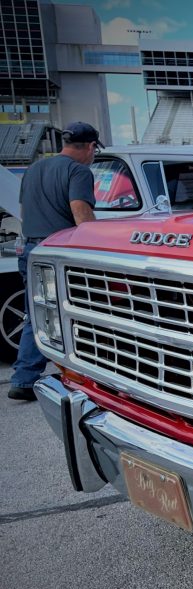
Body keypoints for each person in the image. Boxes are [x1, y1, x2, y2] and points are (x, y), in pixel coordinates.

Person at [8, 122, 101, 401]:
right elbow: (81, 215)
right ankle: (89, 379)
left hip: (32, 249)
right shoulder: (79, 171)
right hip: (61, 252)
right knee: (80, 314)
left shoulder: (34, 169)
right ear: (91, 146)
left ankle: (23, 379)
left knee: (37, 315)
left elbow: (23, 211)